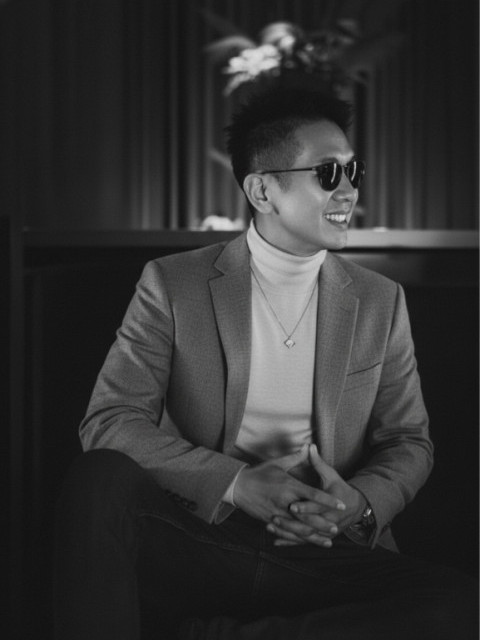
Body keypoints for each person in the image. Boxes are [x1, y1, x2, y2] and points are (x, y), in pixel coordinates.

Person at [53, 88, 478, 640]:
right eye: (328, 173)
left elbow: (409, 441)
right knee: (98, 479)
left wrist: (358, 504)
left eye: (353, 171)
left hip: (323, 548)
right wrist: (236, 484)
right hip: (204, 539)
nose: (349, 190)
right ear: (262, 190)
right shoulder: (173, 284)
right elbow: (109, 421)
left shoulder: (380, 300)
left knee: (462, 608)